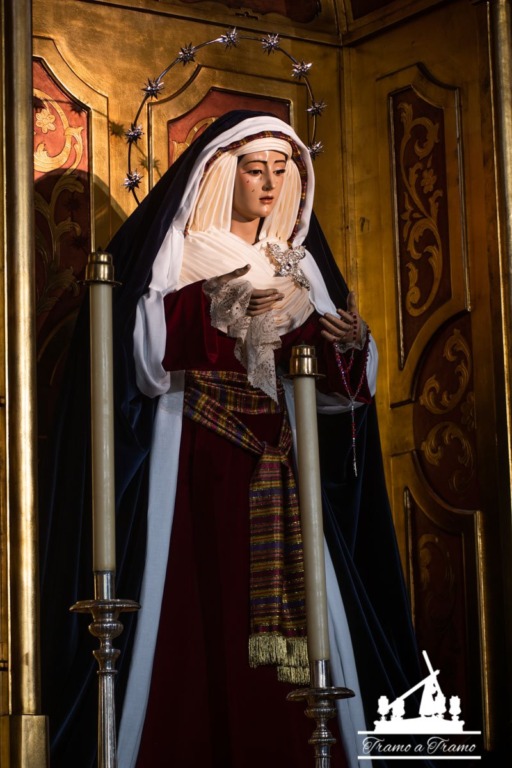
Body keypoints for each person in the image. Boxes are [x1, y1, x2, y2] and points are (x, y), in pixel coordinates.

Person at [40, 110, 423, 768]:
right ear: (224, 172)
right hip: (195, 451)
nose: (270, 184)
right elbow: (143, 354)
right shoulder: (182, 250)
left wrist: (349, 345)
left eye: (281, 170)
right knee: (194, 614)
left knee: (303, 628)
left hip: (281, 463)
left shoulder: (299, 265)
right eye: (254, 170)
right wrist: (218, 302)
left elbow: (333, 392)